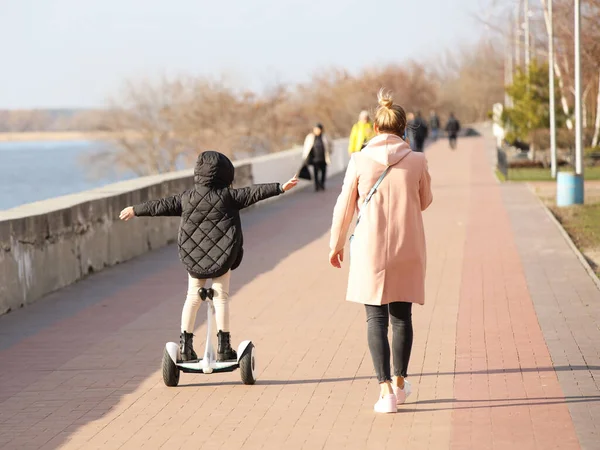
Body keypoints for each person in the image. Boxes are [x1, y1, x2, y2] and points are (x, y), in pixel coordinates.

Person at [119, 151, 298, 362]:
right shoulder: (229, 197)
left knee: (192, 297)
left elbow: (160, 205)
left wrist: (135, 209)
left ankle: (185, 347)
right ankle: (224, 348)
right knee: (221, 296)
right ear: (225, 174)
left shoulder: (186, 198)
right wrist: (280, 188)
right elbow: (253, 192)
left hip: (194, 257)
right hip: (222, 256)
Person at [329, 89, 433, 414]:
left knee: (375, 318)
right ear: (404, 129)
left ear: (374, 128)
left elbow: (344, 207)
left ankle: (385, 390)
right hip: (407, 245)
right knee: (402, 318)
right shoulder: (417, 160)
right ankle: (401, 384)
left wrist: (336, 245)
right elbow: (425, 200)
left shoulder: (359, 160)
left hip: (369, 249)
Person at [302, 123, 332, 191]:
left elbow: (331, 145)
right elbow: (306, 147)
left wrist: (329, 152)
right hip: (315, 159)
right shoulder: (310, 137)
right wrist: (305, 157)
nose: (317, 131)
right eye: (316, 129)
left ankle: (322, 184)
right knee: (316, 173)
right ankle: (316, 186)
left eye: (318, 129)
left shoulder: (325, 136)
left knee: (323, 172)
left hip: (323, 158)